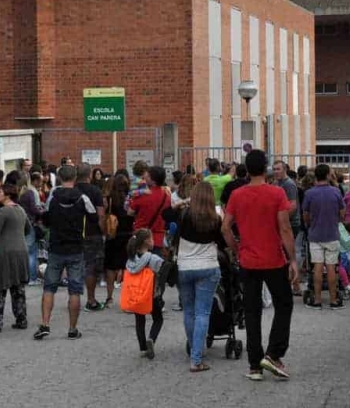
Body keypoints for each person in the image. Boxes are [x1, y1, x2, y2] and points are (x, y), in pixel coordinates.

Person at [222, 149, 297, 382]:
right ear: (265, 168)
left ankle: (254, 365)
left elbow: (225, 227)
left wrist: (236, 249)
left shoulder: (237, 195)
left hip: (248, 259)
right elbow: (284, 228)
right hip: (273, 259)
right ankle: (274, 353)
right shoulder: (276, 193)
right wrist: (293, 259)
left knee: (252, 311)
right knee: (284, 304)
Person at [35, 166, 98, 341]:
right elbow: (93, 217)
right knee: (75, 289)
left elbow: (45, 219)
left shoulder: (53, 198)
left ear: (60, 178)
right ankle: (72, 328)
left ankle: (45, 324)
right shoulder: (82, 198)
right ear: (75, 177)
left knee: (49, 287)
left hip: (56, 247)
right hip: (76, 247)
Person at [166, 182, 223, 372]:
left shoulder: (184, 216)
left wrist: (182, 202)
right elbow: (222, 242)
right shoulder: (215, 219)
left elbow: (165, 215)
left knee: (189, 311)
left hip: (185, 267)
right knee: (202, 313)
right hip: (207, 266)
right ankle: (196, 358)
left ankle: (194, 349)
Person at [302, 164, 346, 310]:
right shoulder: (336, 192)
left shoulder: (309, 194)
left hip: (315, 234)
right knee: (332, 268)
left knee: (317, 268)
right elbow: (342, 213)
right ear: (328, 175)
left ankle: (317, 300)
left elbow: (306, 215)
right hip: (332, 234)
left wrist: (311, 224)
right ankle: (333, 300)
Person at [0, 184, 30, 332]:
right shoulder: (21, 210)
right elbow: (28, 229)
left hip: (5, 251)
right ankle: (21, 319)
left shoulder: (3, 211)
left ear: (7, 195)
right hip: (21, 250)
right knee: (18, 287)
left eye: (0, 192)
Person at [125, 229, 169, 361]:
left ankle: (143, 348)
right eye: (151, 238)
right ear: (146, 241)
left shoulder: (131, 260)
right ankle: (151, 339)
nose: (153, 241)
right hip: (152, 294)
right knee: (158, 319)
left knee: (140, 321)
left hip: (136, 294)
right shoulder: (153, 258)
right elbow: (164, 270)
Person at [71, 163, 107, 311]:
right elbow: (100, 215)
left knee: (73, 266)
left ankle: (73, 299)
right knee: (91, 267)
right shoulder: (95, 191)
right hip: (92, 233)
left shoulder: (70, 191)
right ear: (90, 175)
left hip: (71, 233)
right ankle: (91, 300)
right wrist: (104, 232)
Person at [103, 174, 134, 308]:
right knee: (127, 267)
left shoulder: (109, 199)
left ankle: (109, 298)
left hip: (113, 235)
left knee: (110, 267)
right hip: (128, 235)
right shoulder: (131, 199)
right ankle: (127, 297)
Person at [272, 161, 302, 294]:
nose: (275, 171)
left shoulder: (289, 184)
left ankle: (295, 285)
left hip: (291, 224)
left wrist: (280, 218)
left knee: (288, 254)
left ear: (284, 170)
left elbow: (293, 206)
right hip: (284, 223)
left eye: (278, 169)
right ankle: (293, 285)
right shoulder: (277, 183)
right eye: (274, 169)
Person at [129, 166, 171, 255]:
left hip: (140, 237)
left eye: (147, 176)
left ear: (153, 181)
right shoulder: (167, 196)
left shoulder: (142, 194)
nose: (145, 178)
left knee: (139, 266)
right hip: (158, 238)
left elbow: (130, 212)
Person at [19, 172, 45, 287]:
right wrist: (42, 212)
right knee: (32, 252)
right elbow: (33, 209)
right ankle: (32, 278)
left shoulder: (17, 193)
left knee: (23, 251)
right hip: (29, 223)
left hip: (19, 223)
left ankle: (22, 276)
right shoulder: (29, 193)